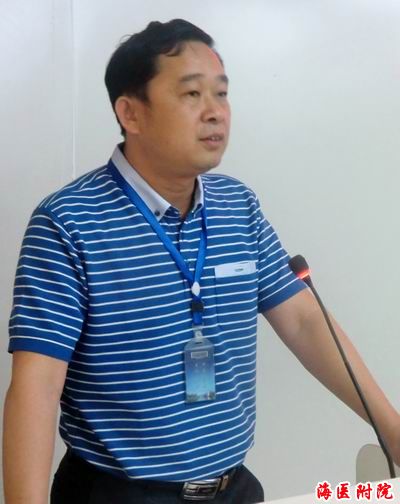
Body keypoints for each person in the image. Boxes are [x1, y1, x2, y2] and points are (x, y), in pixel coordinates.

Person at [3, 18, 399, 504]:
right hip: (120, 493)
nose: (215, 113)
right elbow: (37, 387)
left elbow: (303, 320)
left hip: (234, 488)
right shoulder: (69, 222)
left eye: (222, 94)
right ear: (131, 112)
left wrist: (393, 431)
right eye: (192, 94)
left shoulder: (237, 205)